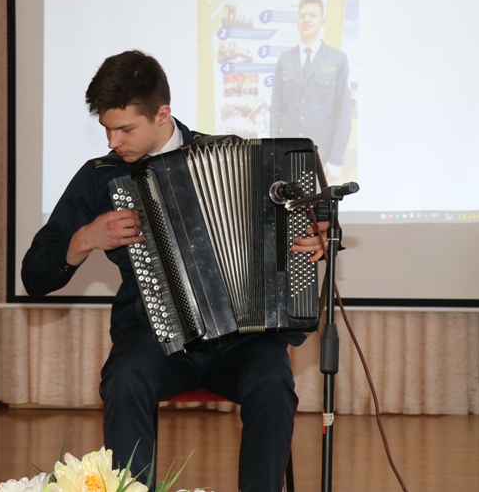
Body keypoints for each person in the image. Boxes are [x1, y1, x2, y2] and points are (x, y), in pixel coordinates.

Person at [21, 50, 327, 492]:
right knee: (125, 376)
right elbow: (35, 275)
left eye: (126, 129)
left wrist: (310, 240)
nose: (112, 142)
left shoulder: (232, 155)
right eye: (106, 129)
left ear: (162, 114)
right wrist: (86, 238)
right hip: (153, 340)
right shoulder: (98, 177)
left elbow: (295, 232)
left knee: (273, 379)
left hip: (241, 341)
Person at [269, 0, 352, 182]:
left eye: (312, 15)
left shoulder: (337, 59)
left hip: (322, 157)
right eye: (302, 16)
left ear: (322, 21)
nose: (306, 19)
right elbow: (276, 108)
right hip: (288, 156)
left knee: (319, 201)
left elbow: (344, 113)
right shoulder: (285, 59)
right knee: (287, 201)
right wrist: (273, 152)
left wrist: (336, 159)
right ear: (297, 22)